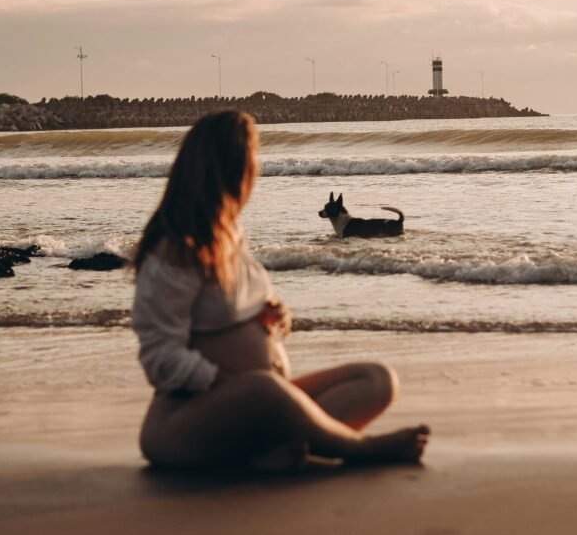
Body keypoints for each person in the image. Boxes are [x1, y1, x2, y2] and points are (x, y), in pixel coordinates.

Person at [131, 110, 429, 469]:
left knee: (376, 379)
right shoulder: (176, 247)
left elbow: (233, 313)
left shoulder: (231, 239)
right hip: (186, 424)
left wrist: (272, 317)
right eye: (251, 160)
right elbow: (159, 358)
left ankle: (277, 454)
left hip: (259, 411)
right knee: (264, 389)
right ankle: (358, 448)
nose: (256, 170)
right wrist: (229, 383)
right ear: (229, 169)